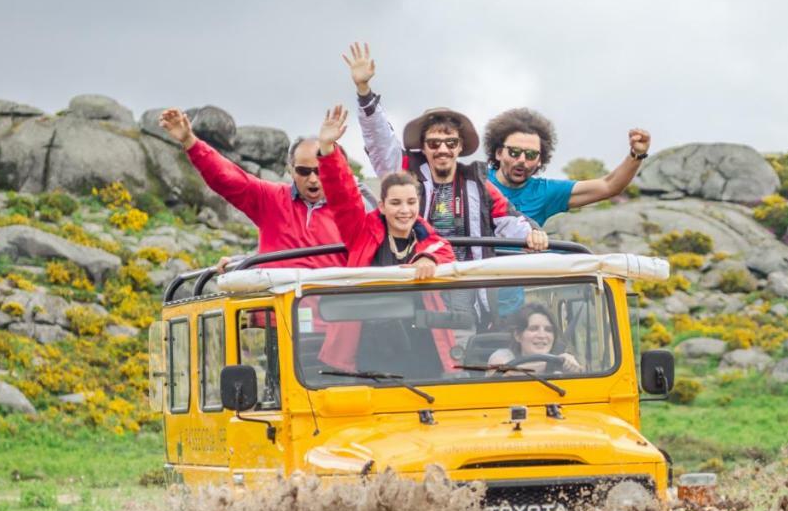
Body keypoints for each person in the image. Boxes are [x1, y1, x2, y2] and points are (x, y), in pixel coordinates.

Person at [343, 42, 547, 264]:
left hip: (468, 287)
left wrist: (532, 234)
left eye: (450, 143)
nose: (442, 150)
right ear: (422, 146)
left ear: (460, 147)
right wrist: (364, 92)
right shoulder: (406, 174)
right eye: (434, 143)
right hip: (418, 285)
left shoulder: (478, 184)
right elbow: (379, 141)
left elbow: (510, 219)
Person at [315, 105, 457, 374]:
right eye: (395, 203)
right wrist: (327, 149)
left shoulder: (427, 235)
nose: (404, 210)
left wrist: (427, 259)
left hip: (422, 347)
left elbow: (443, 250)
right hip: (367, 346)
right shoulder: (362, 230)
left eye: (410, 202)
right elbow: (342, 193)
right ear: (381, 205)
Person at [158, 108, 347, 270]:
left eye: (320, 171)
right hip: (280, 311)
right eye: (304, 171)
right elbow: (227, 177)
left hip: (335, 309)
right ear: (291, 170)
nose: (313, 179)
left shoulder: (351, 210)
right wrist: (189, 141)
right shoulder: (271, 199)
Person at [484, 108, 652, 226]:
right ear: (499, 153)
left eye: (530, 155)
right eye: (514, 152)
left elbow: (609, 186)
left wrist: (636, 155)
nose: (521, 160)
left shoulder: (545, 192)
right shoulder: (474, 181)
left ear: (540, 160)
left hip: (519, 272)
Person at [489, 304, 584, 374]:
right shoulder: (502, 356)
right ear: (518, 335)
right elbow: (505, 373)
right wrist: (555, 364)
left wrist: (573, 367)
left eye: (548, 330)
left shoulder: (561, 362)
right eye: (533, 329)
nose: (542, 335)